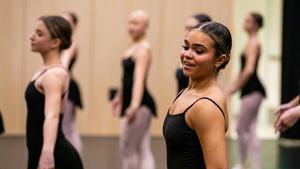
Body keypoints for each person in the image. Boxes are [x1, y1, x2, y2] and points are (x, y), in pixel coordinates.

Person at [163, 21, 231, 169]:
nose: (187, 54)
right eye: (186, 47)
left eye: (199, 51)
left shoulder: (206, 106)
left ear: (220, 60)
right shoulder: (186, 93)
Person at [26, 15, 83, 169]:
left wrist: (47, 153)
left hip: (56, 154)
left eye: (39, 34)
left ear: (55, 42)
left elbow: (52, 115)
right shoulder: (45, 71)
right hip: (38, 149)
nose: (32, 37)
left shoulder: (54, 75)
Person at [111, 10, 156, 169]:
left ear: (145, 27)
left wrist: (134, 105)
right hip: (134, 100)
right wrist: (119, 95)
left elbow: (138, 79)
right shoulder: (133, 47)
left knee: (127, 148)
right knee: (141, 147)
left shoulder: (143, 50)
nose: (131, 27)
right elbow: (127, 78)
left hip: (139, 102)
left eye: (136, 23)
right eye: (130, 22)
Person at [225, 12, 265, 169]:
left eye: (248, 20)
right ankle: (254, 165)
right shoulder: (250, 42)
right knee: (251, 128)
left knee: (241, 128)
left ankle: (241, 163)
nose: (245, 22)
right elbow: (243, 71)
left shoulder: (254, 43)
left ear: (255, 24)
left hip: (253, 90)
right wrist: (231, 86)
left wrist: (235, 87)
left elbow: (248, 70)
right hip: (252, 90)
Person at [61, 11, 83, 155]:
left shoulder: (70, 43)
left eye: (67, 22)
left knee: (67, 127)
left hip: (67, 86)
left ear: (74, 27)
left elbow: (63, 65)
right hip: (64, 84)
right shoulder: (60, 42)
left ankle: (76, 160)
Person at [176, 13, 212, 93]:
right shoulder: (186, 51)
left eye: (192, 28)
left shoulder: (204, 56)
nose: (187, 32)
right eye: (186, 28)